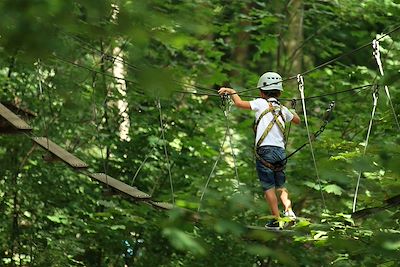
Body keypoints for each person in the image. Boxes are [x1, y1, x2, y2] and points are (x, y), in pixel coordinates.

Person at [218, 72, 300, 229]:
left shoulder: (260, 103)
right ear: (280, 92)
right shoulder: (283, 109)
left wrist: (231, 91)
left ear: (261, 92)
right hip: (280, 153)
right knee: (280, 185)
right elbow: (297, 121)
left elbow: (240, 103)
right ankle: (289, 212)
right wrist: (292, 110)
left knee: (268, 186)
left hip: (265, 152)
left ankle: (276, 220)